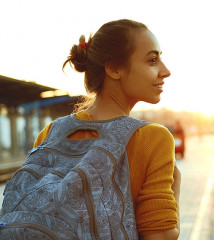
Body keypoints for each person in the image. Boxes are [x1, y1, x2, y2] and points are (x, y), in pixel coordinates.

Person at [33, 19, 181, 239]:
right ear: (113, 68)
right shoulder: (152, 139)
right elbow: (160, 235)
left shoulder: (50, 133)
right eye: (152, 60)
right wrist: (175, 186)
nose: (165, 71)